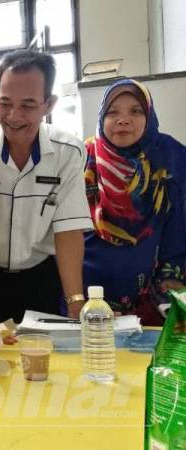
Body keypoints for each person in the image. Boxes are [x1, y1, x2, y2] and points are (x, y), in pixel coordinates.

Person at [0, 49, 92, 323]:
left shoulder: (68, 152)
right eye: (5, 103)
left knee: (44, 359)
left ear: (49, 104)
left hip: (41, 276)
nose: (14, 116)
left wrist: (76, 303)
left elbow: (67, 230)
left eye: (28, 105)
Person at [83, 78, 186, 325]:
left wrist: (171, 286)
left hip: (149, 300)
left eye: (136, 111)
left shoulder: (169, 160)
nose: (123, 119)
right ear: (101, 119)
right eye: (112, 112)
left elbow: (178, 227)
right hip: (85, 298)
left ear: (149, 117)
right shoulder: (82, 159)